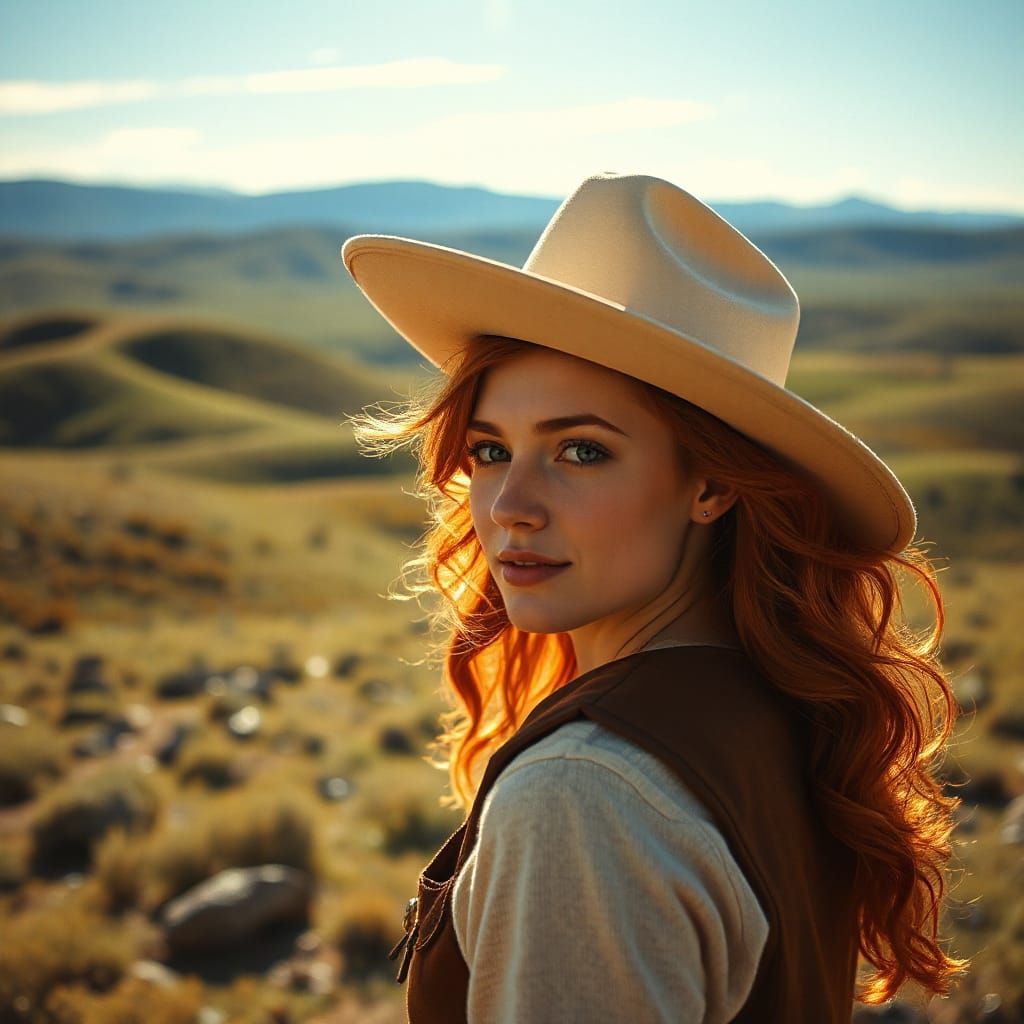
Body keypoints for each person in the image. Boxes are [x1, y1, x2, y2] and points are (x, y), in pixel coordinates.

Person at [340, 171, 968, 1022]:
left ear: (710, 483)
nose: (508, 508)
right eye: (491, 451)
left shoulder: (583, 793)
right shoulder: (775, 711)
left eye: (581, 453)